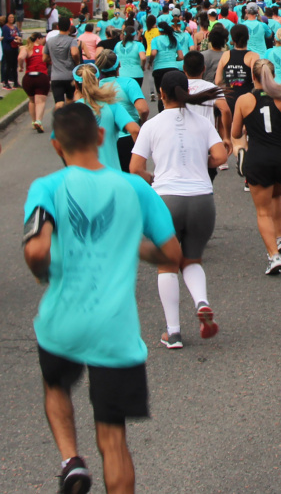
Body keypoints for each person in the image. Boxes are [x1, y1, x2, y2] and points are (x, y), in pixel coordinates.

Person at [23, 103, 181, 494]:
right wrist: (139, 249)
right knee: (114, 439)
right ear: (100, 136)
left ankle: (71, 460)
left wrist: (43, 273)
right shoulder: (135, 187)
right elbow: (174, 255)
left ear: (57, 146)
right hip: (116, 332)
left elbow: (36, 250)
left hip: (62, 324)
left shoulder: (46, 188)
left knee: (55, 387)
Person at [130, 70, 228, 349]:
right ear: (186, 90)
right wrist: (201, 162)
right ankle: (202, 301)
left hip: (166, 199)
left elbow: (135, 168)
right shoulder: (201, 122)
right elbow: (220, 156)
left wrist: (154, 178)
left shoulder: (153, 125)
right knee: (192, 259)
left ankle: (173, 333)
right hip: (201, 199)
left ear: (161, 93)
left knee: (167, 264)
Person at [232, 59, 281, 275]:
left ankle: (273, 256)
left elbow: (235, 133)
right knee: (277, 196)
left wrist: (246, 129)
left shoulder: (244, 100)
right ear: (273, 75)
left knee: (263, 211)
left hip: (259, 158)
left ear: (252, 77)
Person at [73, 63, 140, 171]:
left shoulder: (72, 110)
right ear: (98, 80)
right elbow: (135, 130)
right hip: (113, 175)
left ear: (76, 85)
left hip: (85, 179)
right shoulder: (112, 105)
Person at [96, 49, 150, 173]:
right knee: (131, 179)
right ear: (118, 65)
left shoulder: (94, 88)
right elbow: (143, 109)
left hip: (103, 141)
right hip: (127, 137)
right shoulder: (129, 83)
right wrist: (141, 122)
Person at [45, 18, 80, 110]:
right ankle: (68, 121)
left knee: (59, 102)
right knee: (70, 100)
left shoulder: (50, 41)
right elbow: (75, 53)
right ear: (69, 28)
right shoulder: (71, 40)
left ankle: (57, 120)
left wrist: (53, 58)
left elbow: (44, 58)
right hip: (69, 76)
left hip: (56, 76)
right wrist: (77, 62)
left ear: (57, 27)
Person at [149, 22, 185, 112]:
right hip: (173, 68)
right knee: (173, 93)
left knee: (160, 95)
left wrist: (150, 61)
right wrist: (173, 59)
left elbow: (153, 52)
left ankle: (162, 113)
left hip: (159, 69)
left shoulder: (155, 40)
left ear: (159, 30)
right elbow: (181, 56)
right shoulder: (174, 39)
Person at [18, 32, 49, 133]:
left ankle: (33, 121)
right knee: (40, 101)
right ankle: (39, 121)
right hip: (41, 76)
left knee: (32, 100)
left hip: (29, 77)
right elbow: (49, 59)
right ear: (38, 39)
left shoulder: (26, 48)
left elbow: (20, 57)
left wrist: (21, 66)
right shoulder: (43, 49)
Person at [2, 13, 21, 89]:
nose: (11, 19)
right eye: (10, 17)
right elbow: (6, 38)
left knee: (14, 65)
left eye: (12, 17)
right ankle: (6, 82)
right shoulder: (5, 28)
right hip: (8, 48)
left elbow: (18, 34)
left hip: (15, 48)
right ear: (7, 18)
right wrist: (14, 38)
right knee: (8, 65)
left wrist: (18, 38)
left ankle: (16, 82)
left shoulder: (15, 27)